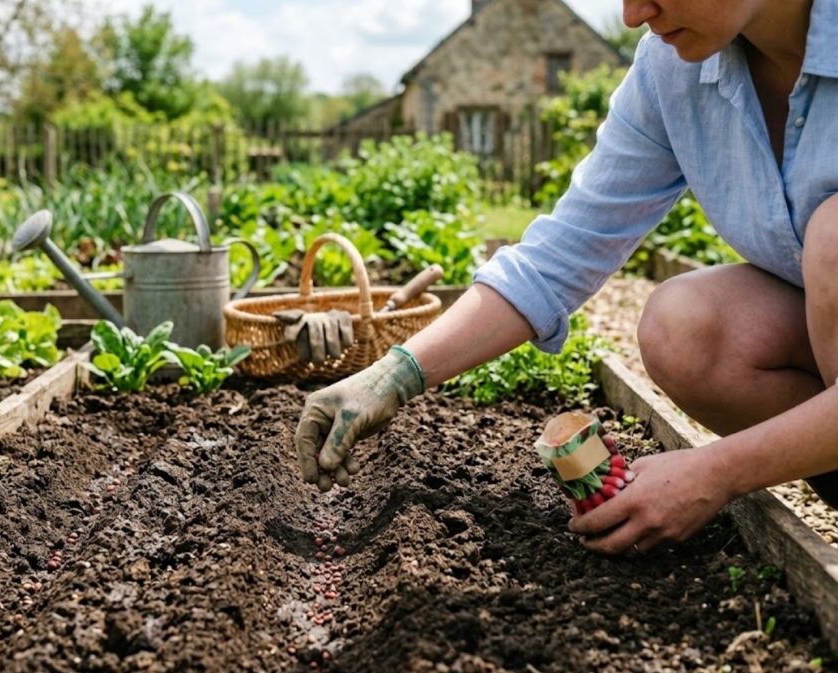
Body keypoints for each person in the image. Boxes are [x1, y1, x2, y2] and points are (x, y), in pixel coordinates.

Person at [293, 0, 838, 556]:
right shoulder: (673, 71)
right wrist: (394, 375)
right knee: (687, 329)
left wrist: (714, 472)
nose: (631, 15)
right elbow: (561, 253)